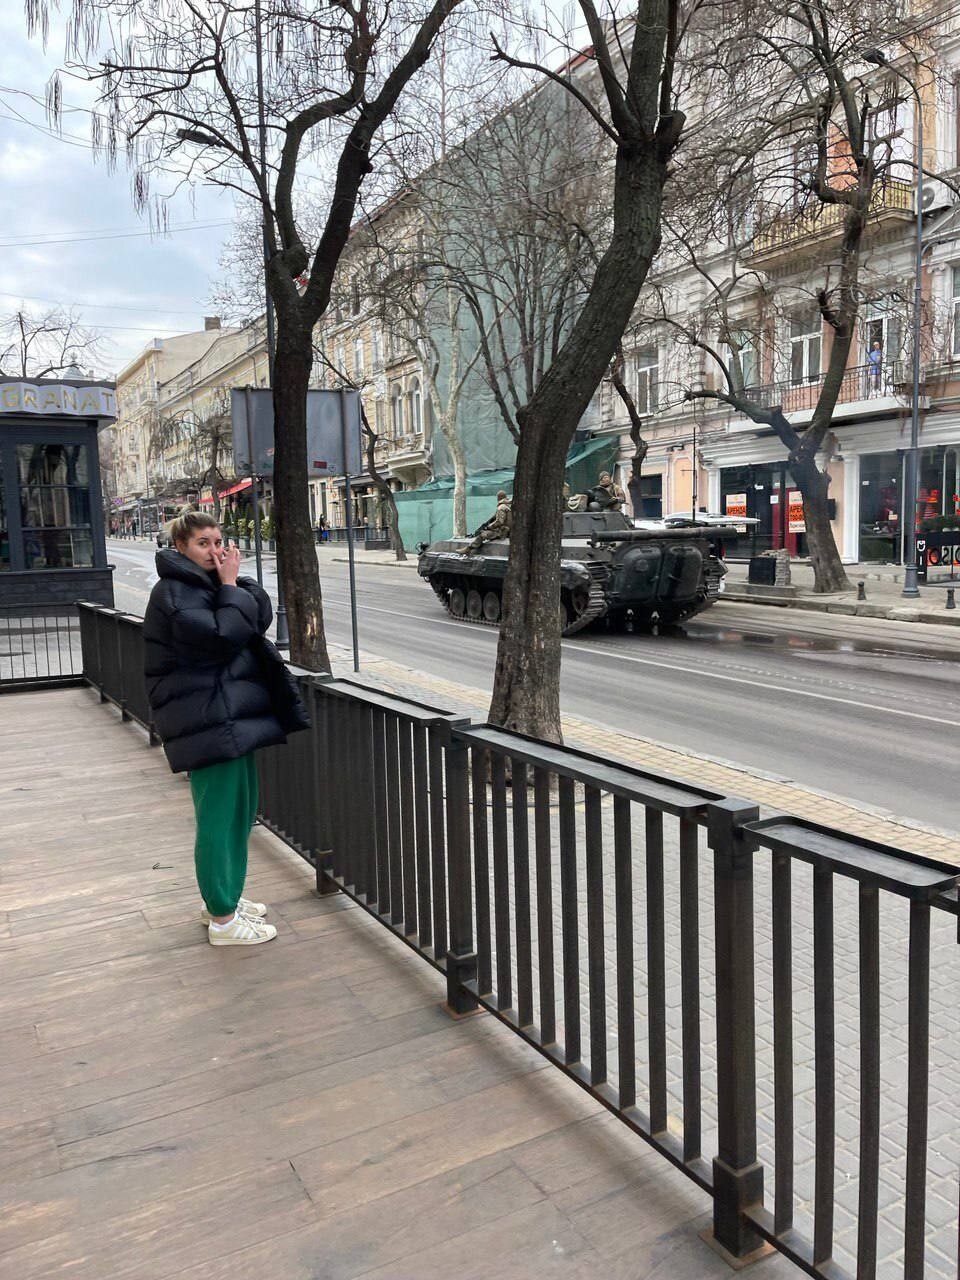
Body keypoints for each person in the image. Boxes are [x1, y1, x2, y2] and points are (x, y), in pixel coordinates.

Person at [143, 511, 305, 947]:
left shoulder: (205, 585)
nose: (215, 550)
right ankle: (222, 919)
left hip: (225, 717)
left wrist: (233, 582)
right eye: (203, 544)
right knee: (219, 819)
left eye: (218, 541)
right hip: (207, 721)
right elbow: (221, 637)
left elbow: (260, 615)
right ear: (181, 547)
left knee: (239, 811)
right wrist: (230, 587)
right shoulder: (175, 592)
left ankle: (224, 898)